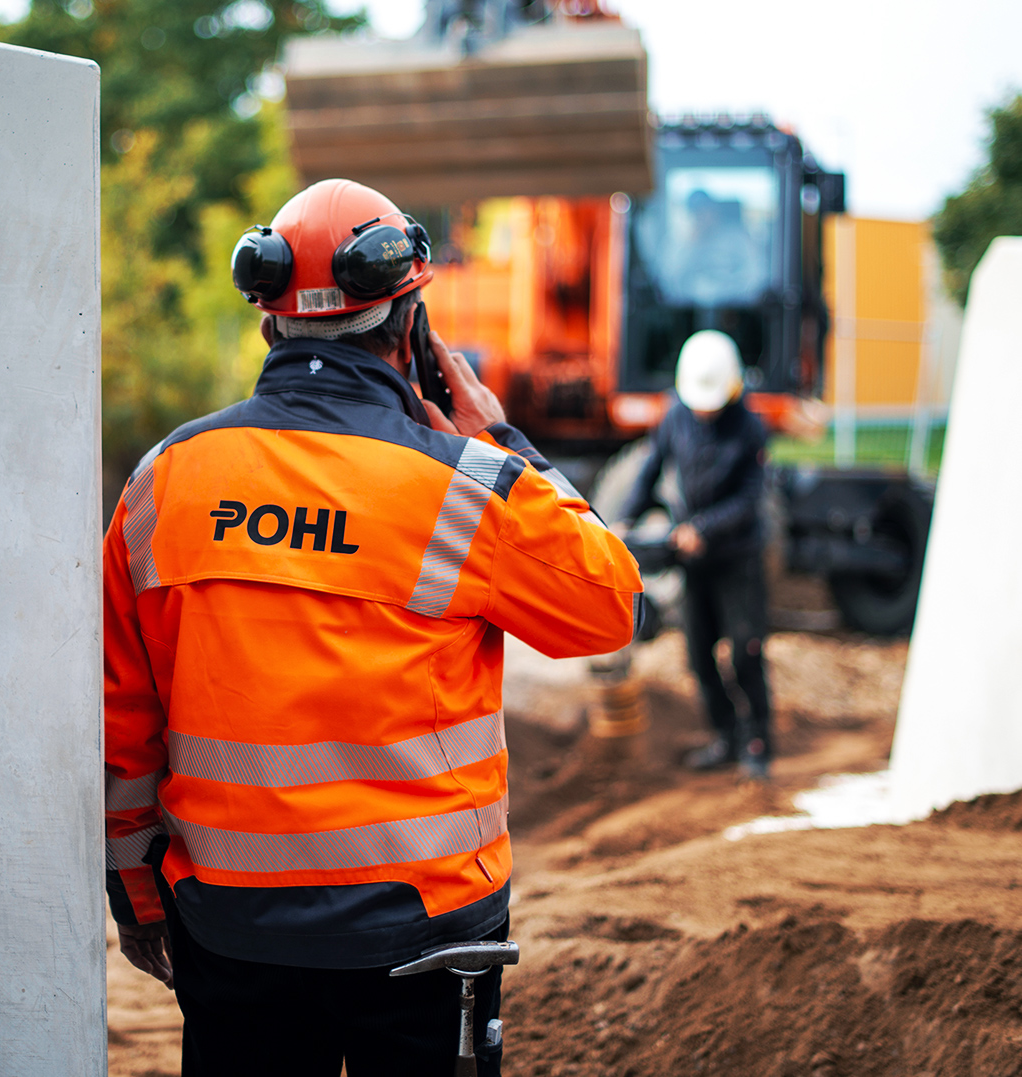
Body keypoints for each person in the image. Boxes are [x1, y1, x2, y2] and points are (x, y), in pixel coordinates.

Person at [103, 178, 642, 1077]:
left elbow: (123, 728)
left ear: (270, 321)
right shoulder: (468, 487)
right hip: (422, 935)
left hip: (232, 932)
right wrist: (503, 439)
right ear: (412, 328)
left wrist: (137, 900)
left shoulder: (165, 482)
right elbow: (609, 605)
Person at [615, 329, 772, 778]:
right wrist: (624, 520)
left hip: (737, 557)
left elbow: (749, 498)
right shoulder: (674, 416)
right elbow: (649, 472)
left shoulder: (749, 428)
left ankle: (758, 740)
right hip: (695, 561)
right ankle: (725, 735)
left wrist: (703, 529)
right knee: (699, 656)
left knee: (745, 651)